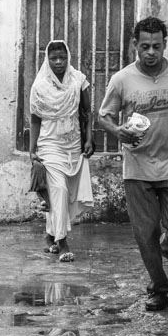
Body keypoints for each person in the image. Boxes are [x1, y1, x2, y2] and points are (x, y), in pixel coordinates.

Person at [97, 16, 168, 312]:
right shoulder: (122, 79)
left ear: (164, 44)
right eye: (145, 46)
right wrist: (117, 131)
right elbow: (103, 115)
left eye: (156, 46)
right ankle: (158, 288)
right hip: (138, 169)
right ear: (135, 45)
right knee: (145, 235)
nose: (151, 52)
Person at [29, 40, 95, 263]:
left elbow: (87, 112)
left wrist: (89, 138)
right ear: (47, 60)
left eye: (62, 58)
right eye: (54, 58)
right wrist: (32, 150)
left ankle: (49, 236)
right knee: (58, 189)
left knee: (67, 196)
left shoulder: (78, 80)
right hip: (49, 144)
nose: (58, 62)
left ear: (68, 58)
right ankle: (63, 242)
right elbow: (35, 119)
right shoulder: (39, 87)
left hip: (73, 144)